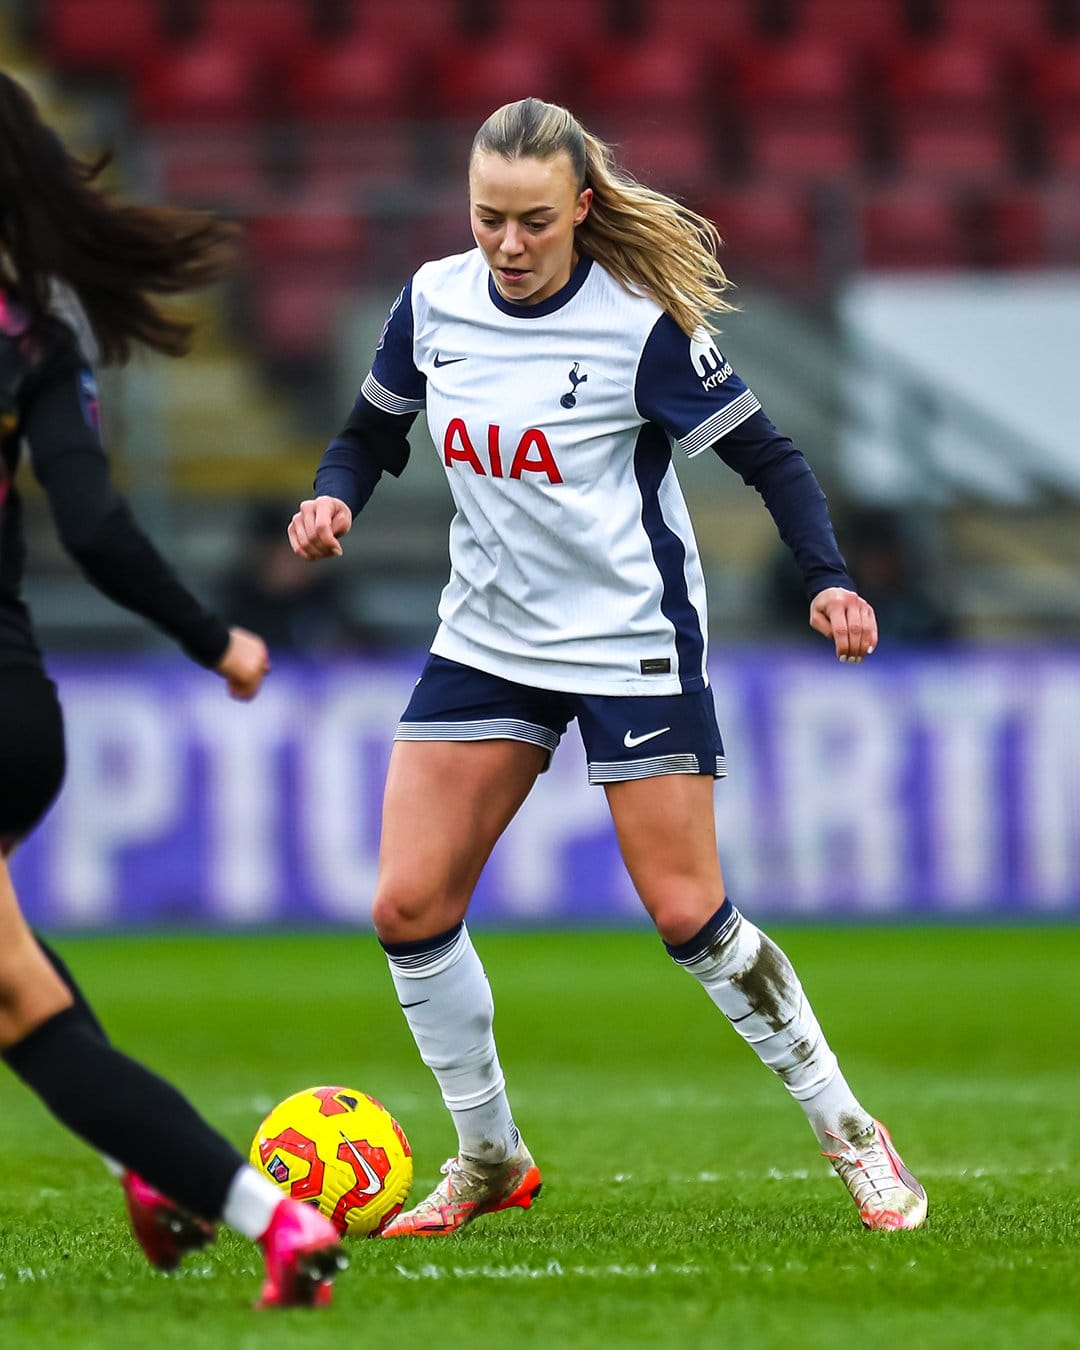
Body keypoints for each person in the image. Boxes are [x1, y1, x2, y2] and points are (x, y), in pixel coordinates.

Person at [290, 97, 928, 1237]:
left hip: (629, 641)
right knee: (406, 904)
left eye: (535, 221)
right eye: (490, 219)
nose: (510, 246)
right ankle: (487, 1157)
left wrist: (829, 575)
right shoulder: (433, 301)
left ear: (582, 208)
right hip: (486, 641)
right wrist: (335, 493)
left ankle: (851, 1132)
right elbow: (371, 426)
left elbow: (770, 456)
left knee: (689, 913)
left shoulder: (637, 322)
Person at [0, 73, 344, 1307]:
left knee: (24, 1011)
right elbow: (91, 524)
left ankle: (267, 1217)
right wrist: (214, 640)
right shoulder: (36, 329)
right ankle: (170, 1174)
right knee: (20, 998)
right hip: (17, 715)